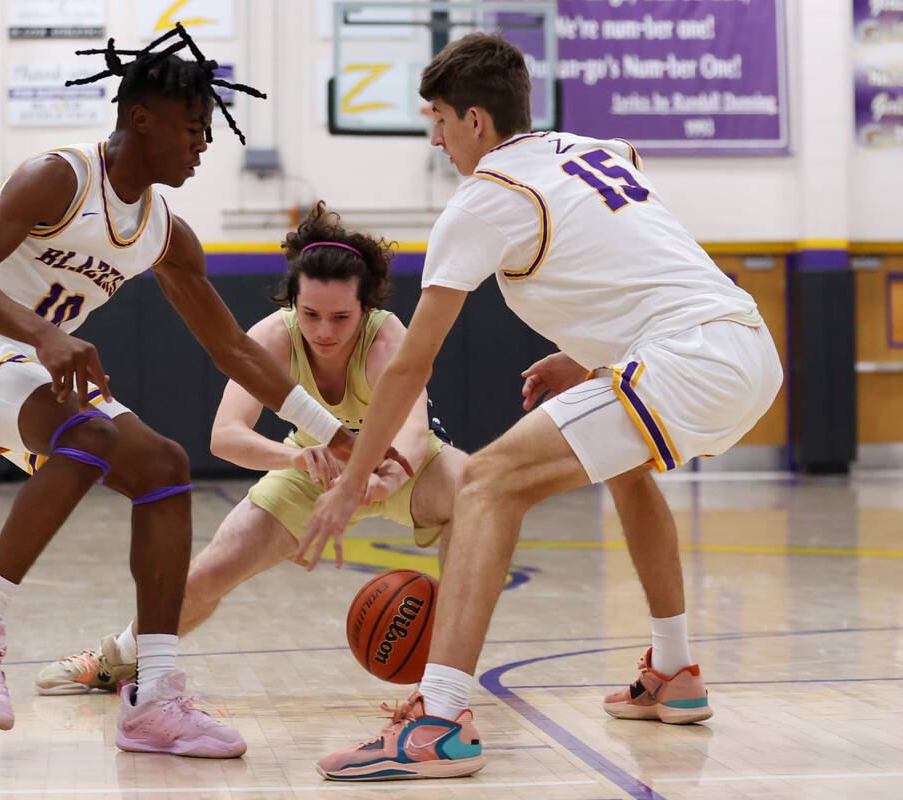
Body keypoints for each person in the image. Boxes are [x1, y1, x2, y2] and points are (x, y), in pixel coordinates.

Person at [297, 32, 783, 781]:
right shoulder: (590, 149)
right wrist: (597, 352)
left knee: (488, 480)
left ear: (477, 122)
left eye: (440, 120)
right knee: (626, 470)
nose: (436, 137)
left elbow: (410, 365)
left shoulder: (486, 197)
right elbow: (630, 246)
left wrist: (354, 479)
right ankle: (676, 674)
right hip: (742, 344)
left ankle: (439, 722)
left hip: (688, 356)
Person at [0, 27, 397, 757]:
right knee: (93, 437)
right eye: (194, 128)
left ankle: (154, 696)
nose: (204, 145)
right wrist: (43, 337)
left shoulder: (166, 232)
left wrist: (329, 430)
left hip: (39, 366)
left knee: (164, 466)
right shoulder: (60, 178)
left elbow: (232, 348)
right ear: (142, 119)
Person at [33, 202, 467, 695]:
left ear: (365, 307)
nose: (324, 331)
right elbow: (226, 436)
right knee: (209, 571)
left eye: (341, 317)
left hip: (398, 467)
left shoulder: (387, 335)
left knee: (474, 493)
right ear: (293, 303)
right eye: (311, 314)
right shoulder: (274, 337)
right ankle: (119, 657)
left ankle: (444, 682)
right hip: (314, 469)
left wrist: (377, 479)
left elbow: (411, 431)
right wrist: (295, 457)